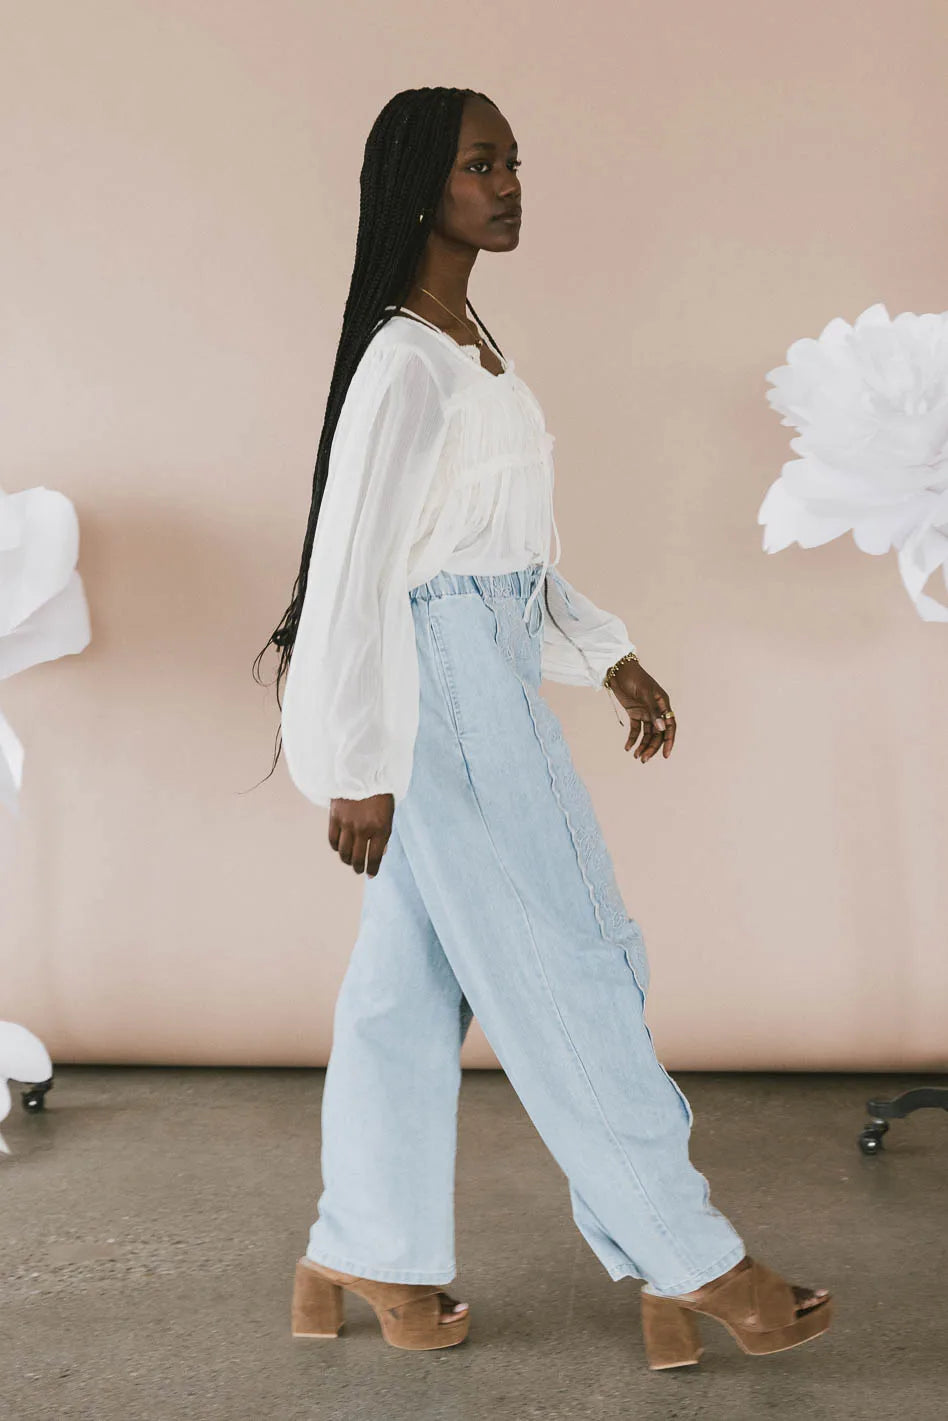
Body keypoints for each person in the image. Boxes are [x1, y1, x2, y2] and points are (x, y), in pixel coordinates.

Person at [255, 85, 833, 1369]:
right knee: (574, 956)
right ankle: (688, 1253)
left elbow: (495, 551)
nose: (509, 183)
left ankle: (364, 1245)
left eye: (514, 161)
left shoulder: (470, 344)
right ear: (422, 184)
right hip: (442, 694)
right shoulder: (407, 364)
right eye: (481, 164)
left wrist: (607, 653)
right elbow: (357, 575)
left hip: (480, 663)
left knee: (407, 984)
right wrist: (354, 763)